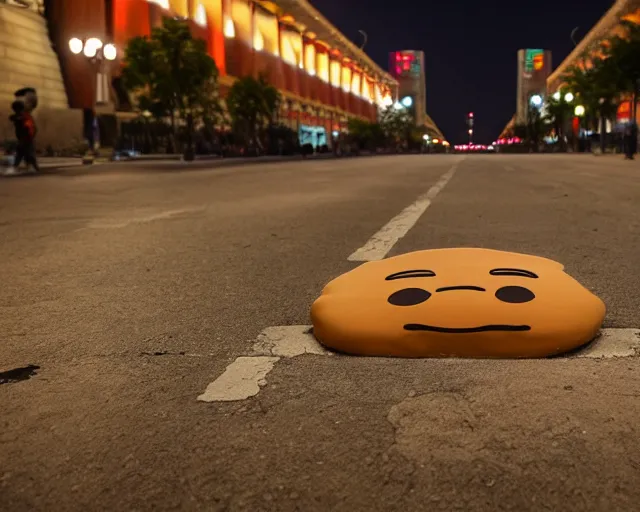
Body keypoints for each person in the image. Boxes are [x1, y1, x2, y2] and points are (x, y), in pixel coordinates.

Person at [5, 100, 39, 175]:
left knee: (22, 154)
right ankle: (32, 168)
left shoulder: (25, 117)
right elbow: (12, 118)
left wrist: (24, 140)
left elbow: (28, 129)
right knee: (28, 155)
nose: (14, 111)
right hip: (25, 139)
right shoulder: (23, 116)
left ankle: (15, 168)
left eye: (15, 109)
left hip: (27, 139)